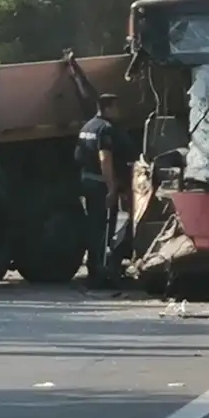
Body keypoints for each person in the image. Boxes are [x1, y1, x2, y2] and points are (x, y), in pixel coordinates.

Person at [76, 94, 133, 288]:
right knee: (104, 228)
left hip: (87, 179)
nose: (118, 111)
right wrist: (111, 187)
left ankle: (93, 268)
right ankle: (100, 272)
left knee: (93, 225)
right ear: (108, 108)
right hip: (101, 183)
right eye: (116, 107)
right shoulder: (105, 129)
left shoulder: (87, 127)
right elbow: (105, 159)